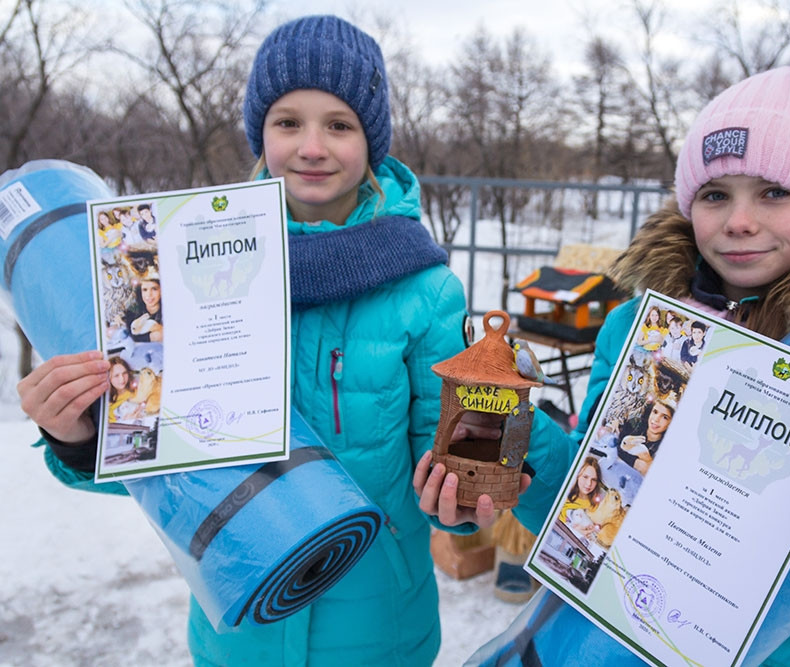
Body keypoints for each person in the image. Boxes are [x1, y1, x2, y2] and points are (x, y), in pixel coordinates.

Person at [415, 65, 790, 666]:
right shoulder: (637, 330)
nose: (738, 220)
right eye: (715, 194)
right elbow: (596, 503)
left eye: (774, 192)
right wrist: (510, 462)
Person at [18, 14, 468, 666]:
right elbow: (167, 476)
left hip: (379, 631)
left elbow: (447, 469)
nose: (312, 145)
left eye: (339, 124)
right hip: (239, 625)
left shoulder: (426, 290)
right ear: (260, 134)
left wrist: (466, 498)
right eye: (288, 122)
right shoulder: (179, 263)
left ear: (373, 141)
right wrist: (81, 436)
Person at [613, 393, 674, 475]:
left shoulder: (665, 449)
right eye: (655, 412)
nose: (656, 419)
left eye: (665, 417)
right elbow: (615, 446)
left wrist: (648, 461)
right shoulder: (634, 423)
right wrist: (636, 462)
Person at [124, 277, 163, 343]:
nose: (149, 294)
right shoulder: (132, 312)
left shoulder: (168, 310)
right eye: (145, 290)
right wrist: (154, 336)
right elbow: (133, 336)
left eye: (154, 289)